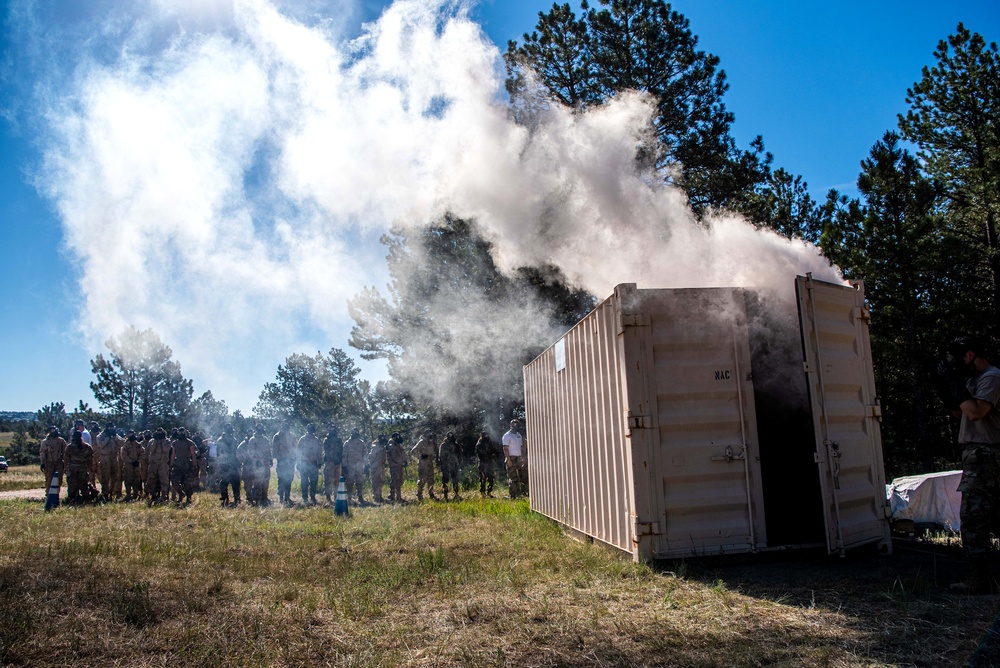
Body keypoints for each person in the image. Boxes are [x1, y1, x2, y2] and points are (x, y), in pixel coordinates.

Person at [939, 336, 1000, 593]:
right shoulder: (974, 380)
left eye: (958, 358)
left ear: (970, 354)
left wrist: (956, 385)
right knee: (990, 516)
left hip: (987, 453)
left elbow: (976, 412)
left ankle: (980, 579)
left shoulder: (992, 376)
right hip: (978, 453)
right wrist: (947, 391)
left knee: (973, 518)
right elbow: (960, 412)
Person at [63, 430, 94, 504]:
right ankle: (85, 500)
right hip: (83, 468)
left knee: (72, 485)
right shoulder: (87, 447)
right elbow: (90, 459)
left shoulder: (70, 447)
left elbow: (66, 459)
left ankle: (72, 500)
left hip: (72, 469)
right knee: (84, 485)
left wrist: (65, 468)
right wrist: (90, 469)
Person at [272, 421, 298, 505]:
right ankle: (281, 498)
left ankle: (287, 497)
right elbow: (275, 450)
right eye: (284, 425)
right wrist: (280, 459)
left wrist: (295, 458)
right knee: (282, 479)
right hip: (282, 461)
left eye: (287, 424)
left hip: (290, 461)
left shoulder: (292, 436)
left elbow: (295, 447)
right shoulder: (277, 436)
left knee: (289, 479)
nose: (286, 426)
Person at [94, 422, 122, 501]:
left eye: (112, 427)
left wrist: (115, 437)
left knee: (114, 476)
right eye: (109, 427)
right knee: (105, 476)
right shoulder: (100, 436)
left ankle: (111, 492)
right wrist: (107, 438)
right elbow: (101, 445)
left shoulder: (115, 435)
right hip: (105, 458)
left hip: (114, 458)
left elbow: (122, 442)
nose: (111, 429)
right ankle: (105, 493)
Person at [297, 424, 324, 505]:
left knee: (314, 482)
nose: (312, 430)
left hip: (314, 463)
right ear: (308, 429)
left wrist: (319, 462)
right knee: (304, 481)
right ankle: (305, 497)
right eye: (310, 429)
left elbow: (319, 452)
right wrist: (298, 462)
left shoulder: (316, 440)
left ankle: (312, 497)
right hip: (304, 463)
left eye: (313, 429)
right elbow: (298, 452)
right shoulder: (302, 439)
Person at [247, 424, 273, 506]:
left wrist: (270, 459)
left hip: (265, 464)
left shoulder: (265, 440)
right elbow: (250, 453)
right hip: (257, 464)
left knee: (266, 480)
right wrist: (256, 461)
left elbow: (269, 451)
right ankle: (257, 499)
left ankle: (264, 497)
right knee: (258, 482)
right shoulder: (252, 440)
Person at [170, 428, 197, 504]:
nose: (181, 434)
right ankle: (181, 494)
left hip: (187, 464)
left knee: (187, 483)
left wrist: (194, 466)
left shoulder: (190, 442)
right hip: (177, 464)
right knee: (174, 481)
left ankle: (189, 497)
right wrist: (171, 465)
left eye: (183, 432)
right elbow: (173, 455)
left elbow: (193, 455)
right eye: (180, 432)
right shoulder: (174, 443)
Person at [145, 428, 172, 505]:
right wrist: (156, 441)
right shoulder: (152, 441)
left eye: (161, 433)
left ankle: (164, 496)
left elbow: (166, 449)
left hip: (163, 463)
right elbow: (151, 450)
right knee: (152, 479)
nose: (159, 434)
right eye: (158, 433)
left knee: (164, 480)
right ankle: (153, 495)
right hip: (153, 463)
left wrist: (163, 441)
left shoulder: (167, 441)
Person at [216, 424, 241, 506]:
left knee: (225, 482)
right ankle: (234, 499)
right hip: (229, 464)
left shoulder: (220, 440)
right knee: (233, 482)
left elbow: (218, 454)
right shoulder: (233, 440)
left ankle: (225, 498)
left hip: (226, 464)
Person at [410, 430, 438, 501]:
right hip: (423, 464)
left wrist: (434, 457)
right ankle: (419, 494)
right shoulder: (421, 442)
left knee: (431, 479)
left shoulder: (432, 443)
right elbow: (413, 451)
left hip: (430, 463)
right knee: (422, 479)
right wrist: (420, 457)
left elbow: (434, 452)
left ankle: (431, 494)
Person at [342, 428, 368, 504]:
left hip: (359, 465)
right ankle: (349, 497)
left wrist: (366, 464)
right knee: (350, 482)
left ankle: (360, 496)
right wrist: (344, 466)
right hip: (350, 465)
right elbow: (344, 455)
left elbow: (365, 453)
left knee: (359, 481)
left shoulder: (361, 443)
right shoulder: (347, 443)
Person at [39, 426, 68, 494]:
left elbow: (65, 452)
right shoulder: (45, 442)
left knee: (59, 480)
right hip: (49, 463)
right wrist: (42, 463)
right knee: (49, 480)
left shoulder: (61, 441)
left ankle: (56, 494)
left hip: (59, 463)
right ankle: (48, 494)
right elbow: (42, 453)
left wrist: (66, 463)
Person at [502, 419, 527, 499]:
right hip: (511, 458)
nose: (515, 427)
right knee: (513, 478)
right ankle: (513, 496)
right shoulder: (507, 436)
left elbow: (521, 447)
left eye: (517, 425)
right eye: (514, 425)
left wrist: (523, 457)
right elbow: (505, 449)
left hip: (518, 457)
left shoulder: (518, 435)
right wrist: (508, 460)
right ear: (511, 425)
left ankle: (520, 493)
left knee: (521, 476)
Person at [120, 430, 145, 501]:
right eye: (129, 434)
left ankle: (135, 494)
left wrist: (138, 461)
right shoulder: (125, 445)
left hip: (136, 466)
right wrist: (131, 461)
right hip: (128, 465)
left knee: (136, 480)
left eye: (132, 434)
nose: (131, 435)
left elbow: (142, 453)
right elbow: (124, 455)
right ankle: (128, 495)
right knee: (128, 480)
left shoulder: (138, 444)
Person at [322, 426, 344, 504]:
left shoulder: (339, 440)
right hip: (329, 462)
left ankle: (336, 497)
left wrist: (339, 460)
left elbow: (342, 451)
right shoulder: (326, 440)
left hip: (337, 463)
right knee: (328, 480)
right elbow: (327, 451)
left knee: (337, 480)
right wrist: (333, 459)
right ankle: (328, 498)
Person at [438, 432, 462, 501]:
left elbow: (459, 454)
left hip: (454, 465)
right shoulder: (443, 445)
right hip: (446, 466)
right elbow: (441, 456)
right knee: (445, 481)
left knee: (455, 480)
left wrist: (459, 463)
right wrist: (442, 464)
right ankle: (445, 495)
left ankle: (456, 494)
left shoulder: (456, 445)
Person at [475, 431, 499, 498]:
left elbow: (494, 451)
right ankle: (483, 493)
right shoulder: (479, 444)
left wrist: (493, 454)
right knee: (482, 479)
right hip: (482, 463)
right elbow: (480, 454)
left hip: (489, 463)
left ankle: (489, 492)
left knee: (491, 478)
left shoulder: (490, 443)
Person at [387, 432, 408, 503]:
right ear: (394, 438)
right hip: (395, 466)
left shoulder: (398, 445)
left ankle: (392, 495)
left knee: (398, 480)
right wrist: (400, 462)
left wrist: (405, 461)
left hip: (399, 465)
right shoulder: (391, 446)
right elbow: (394, 457)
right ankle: (398, 497)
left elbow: (403, 453)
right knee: (396, 481)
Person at [368, 434, 388, 503]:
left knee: (381, 481)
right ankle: (376, 497)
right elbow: (371, 456)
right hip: (375, 466)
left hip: (381, 466)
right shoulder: (375, 446)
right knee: (376, 481)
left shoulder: (382, 446)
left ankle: (379, 495)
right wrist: (372, 465)